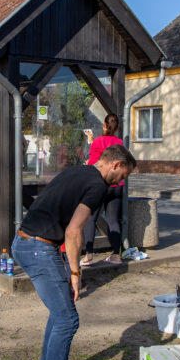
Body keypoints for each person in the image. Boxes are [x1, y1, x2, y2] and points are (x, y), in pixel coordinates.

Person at [11, 144, 136, 360]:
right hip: (38, 248)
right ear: (115, 165)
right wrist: (76, 273)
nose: (121, 181)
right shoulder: (98, 185)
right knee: (68, 320)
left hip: (26, 242)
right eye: (123, 175)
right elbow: (74, 230)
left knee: (60, 311)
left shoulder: (79, 171)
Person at [81, 114, 125, 266]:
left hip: (101, 185)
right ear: (117, 128)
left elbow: (93, 163)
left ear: (104, 126)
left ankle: (88, 255)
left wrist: (87, 163)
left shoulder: (98, 141)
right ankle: (117, 255)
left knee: (91, 218)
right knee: (113, 220)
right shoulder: (120, 143)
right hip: (117, 186)